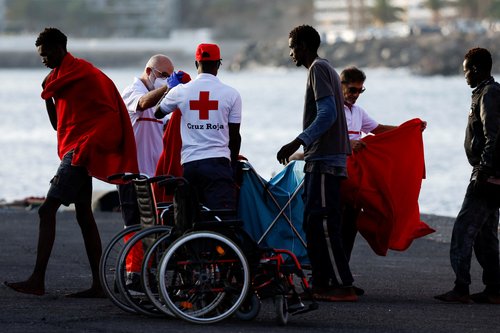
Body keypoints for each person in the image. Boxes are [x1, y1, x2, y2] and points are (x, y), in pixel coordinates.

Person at [4, 28, 139, 297]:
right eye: (40, 56)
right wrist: (48, 96)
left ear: (59, 48)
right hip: (76, 148)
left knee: (46, 211)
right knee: (84, 215)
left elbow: (110, 112)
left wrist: (91, 145)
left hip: (80, 151)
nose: (42, 59)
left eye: (45, 54)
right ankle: (99, 286)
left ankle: (37, 280)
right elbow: (58, 125)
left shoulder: (86, 74)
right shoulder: (57, 79)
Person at [276, 24, 356, 302]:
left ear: (304, 46)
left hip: (325, 160)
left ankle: (342, 285)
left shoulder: (318, 69)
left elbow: (328, 113)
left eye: (292, 47)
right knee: (312, 222)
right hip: (318, 159)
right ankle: (321, 282)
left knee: (323, 223)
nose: (290, 54)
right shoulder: (325, 69)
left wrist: (298, 141)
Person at [435, 47, 500, 304]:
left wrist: (484, 170)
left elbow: (494, 135)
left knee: (463, 230)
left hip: (487, 175)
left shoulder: (490, 94)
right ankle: (495, 289)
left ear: (475, 69)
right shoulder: (485, 92)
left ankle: (461, 288)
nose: (465, 78)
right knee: (486, 235)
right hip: (491, 173)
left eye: (466, 73)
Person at [155, 43, 241, 211]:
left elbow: (158, 113)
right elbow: (235, 136)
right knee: (222, 219)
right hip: (218, 165)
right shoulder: (231, 94)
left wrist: (169, 90)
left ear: (196, 64)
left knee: (193, 219)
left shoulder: (180, 91)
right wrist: (232, 167)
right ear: (218, 65)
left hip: (190, 165)